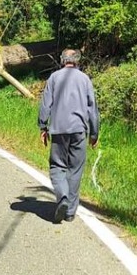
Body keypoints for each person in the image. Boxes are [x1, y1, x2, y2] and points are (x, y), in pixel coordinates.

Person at [38, 48, 99, 223]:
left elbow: (45, 104)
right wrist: (94, 133)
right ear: (78, 61)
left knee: (57, 166)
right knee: (75, 170)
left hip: (58, 130)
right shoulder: (85, 79)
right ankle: (71, 212)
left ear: (62, 60)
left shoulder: (54, 78)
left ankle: (62, 197)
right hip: (79, 130)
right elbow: (92, 108)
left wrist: (43, 126)